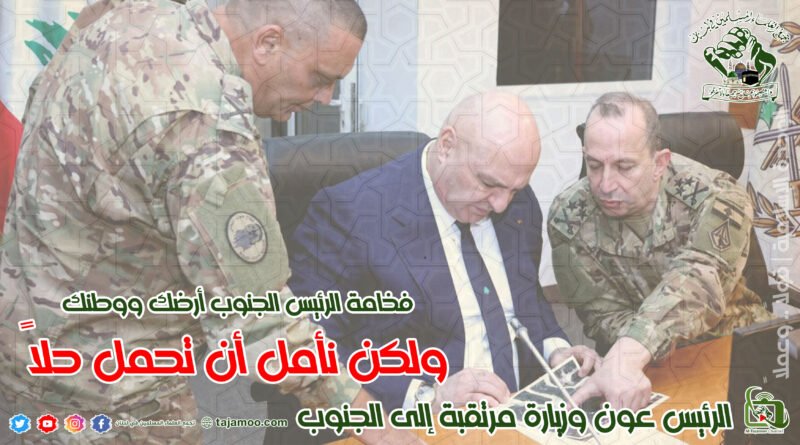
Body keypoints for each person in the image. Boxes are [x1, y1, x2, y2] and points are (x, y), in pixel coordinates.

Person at [0, 0, 413, 443]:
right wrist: (376, 426)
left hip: (31, 344)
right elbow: (260, 321)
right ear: (268, 42)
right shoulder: (206, 127)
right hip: (113, 395)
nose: (325, 98)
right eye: (320, 77)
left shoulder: (131, 15)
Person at [289, 91, 600, 411]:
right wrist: (428, 397)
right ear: (447, 146)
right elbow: (312, 349)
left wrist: (556, 350)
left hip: (520, 410)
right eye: (488, 184)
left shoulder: (514, 198)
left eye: (514, 189)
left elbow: (525, 297)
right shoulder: (350, 214)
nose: (501, 204)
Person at [548, 92, 773, 411]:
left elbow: (700, 280)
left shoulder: (718, 196)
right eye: (594, 165)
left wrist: (633, 348)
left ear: (659, 163)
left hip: (732, 345)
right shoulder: (569, 217)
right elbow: (602, 314)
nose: (605, 184)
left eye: (624, 166)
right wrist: (635, 356)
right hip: (645, 365)